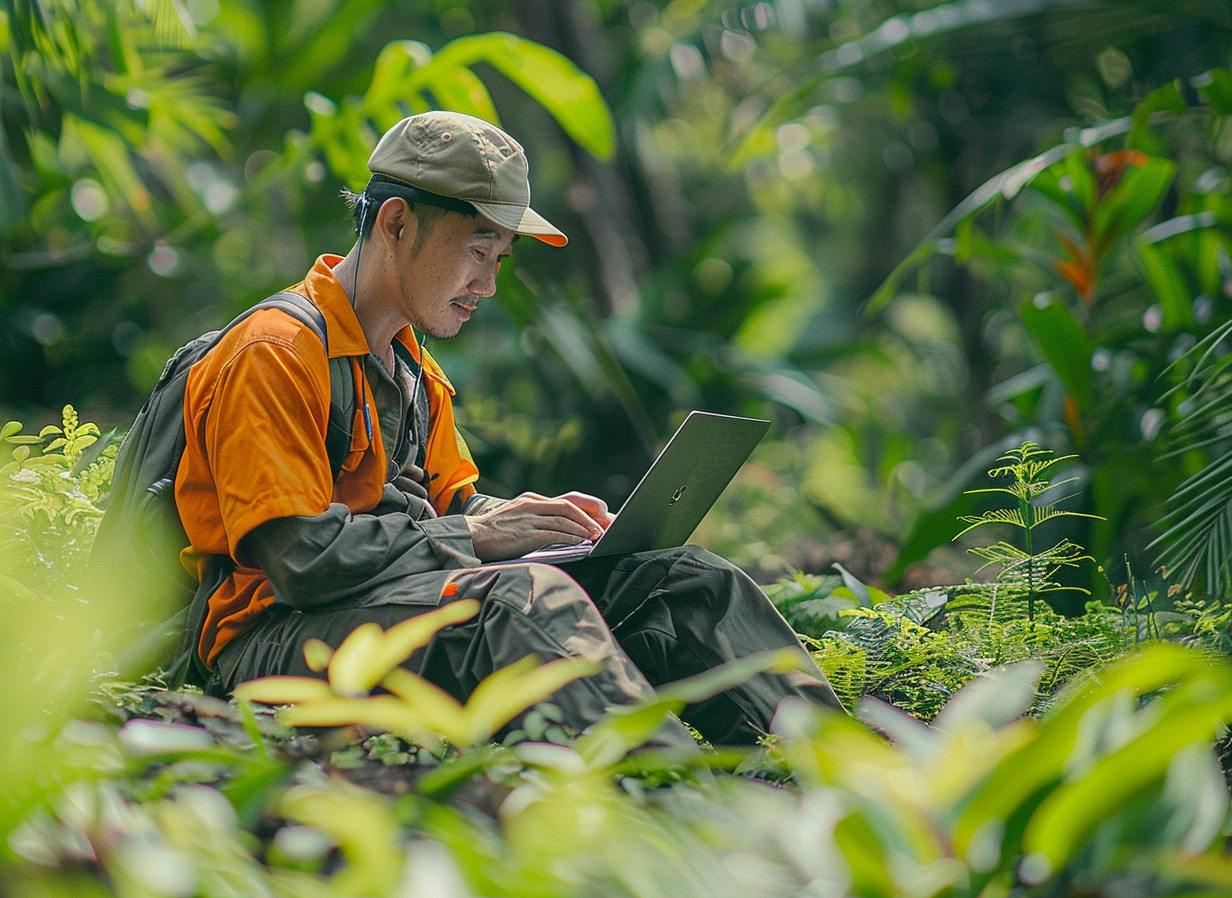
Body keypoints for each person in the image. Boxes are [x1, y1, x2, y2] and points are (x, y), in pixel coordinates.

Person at [175, 110, 842, 748]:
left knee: (682, 578)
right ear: (397, 222)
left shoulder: (414, 373)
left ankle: (859, 781)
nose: (488, 284)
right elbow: (302, 562)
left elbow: (456, 507)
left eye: (500, 258)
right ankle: (674, 807)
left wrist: (541, 522)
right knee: (524, 601)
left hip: (381, 605)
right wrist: (477, 532)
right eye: (478, 250)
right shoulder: (274, 354)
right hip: (272, 640)